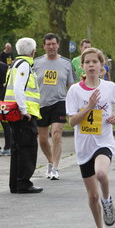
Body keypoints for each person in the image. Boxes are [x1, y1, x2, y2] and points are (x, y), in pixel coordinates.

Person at [65, 47, 115, 228]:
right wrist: (89, 106)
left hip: (104, 142)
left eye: (95, 62)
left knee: (101, 173)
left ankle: (107, 200)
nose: (91, 65)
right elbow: (72, 121)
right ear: (82, 67)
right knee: (92, 197)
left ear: (102, 66)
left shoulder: (109, 87)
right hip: (84, 147)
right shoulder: (75, 91)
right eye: (87, 62)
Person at [33, 33, 74, 180]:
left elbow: (71, 86)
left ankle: (56, 167)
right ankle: (50, 162)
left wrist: (74, 105)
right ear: (44, 46)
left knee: (56, 134)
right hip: (41, 104)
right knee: (43, 139)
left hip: (59, 102)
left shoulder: (66, 63)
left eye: (53, 44)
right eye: (48, 44)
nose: (51, 47)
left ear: (58, 45)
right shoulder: (36, 63)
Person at [5, 37, 42, 194]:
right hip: (22, 114)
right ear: (33, 52)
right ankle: (24, 182)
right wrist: (24, 110)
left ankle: (16, 183)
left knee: (17, 148)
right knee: (27, 148)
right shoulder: (25, 65)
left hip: (13, 113)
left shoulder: (14, 64)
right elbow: (19, 89)